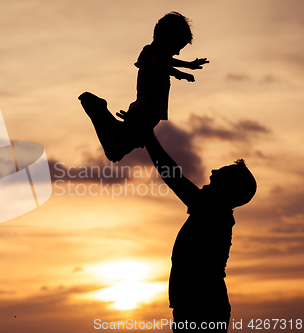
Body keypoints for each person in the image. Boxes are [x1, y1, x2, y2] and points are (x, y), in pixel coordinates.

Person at [139, 123, 257, 332]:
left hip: (202, 308)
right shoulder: (215, 213)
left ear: (227, 188)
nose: (212, 171)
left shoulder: (214, 212)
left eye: (221, 173)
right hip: (197, 306)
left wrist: (148, 137)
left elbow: (173, 177)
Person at [79, 12, 208, 162]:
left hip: (147, 109)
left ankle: (103, 114)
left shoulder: (155, 53)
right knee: (118, 148)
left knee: (115, 153)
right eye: (176, 48)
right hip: (146, 109)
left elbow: (167, 61)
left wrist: (189, 65)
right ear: (167, 39)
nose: (177, 52)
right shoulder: (150, 54)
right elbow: (162, 65)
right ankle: (101, 111)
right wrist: (181, 74)